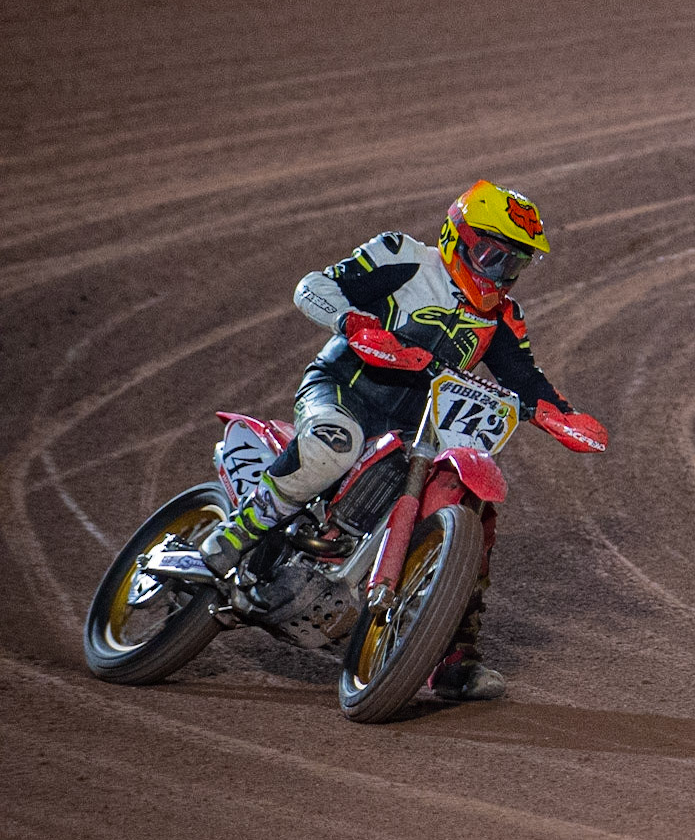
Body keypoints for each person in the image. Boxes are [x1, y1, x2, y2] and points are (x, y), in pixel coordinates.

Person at [174, 181, 609, 700]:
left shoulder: (502, 319)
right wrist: (353, 322)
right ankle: (227, 543)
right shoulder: (404, 257)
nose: (500, 274)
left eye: (514, 264)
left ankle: (453, 656)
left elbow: (527, 381)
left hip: (413, 430)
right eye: (493, 256)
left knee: (470, 511)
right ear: (459, 237)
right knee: (335, 444)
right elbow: (315, 285)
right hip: (344, 390)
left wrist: (564, 417)